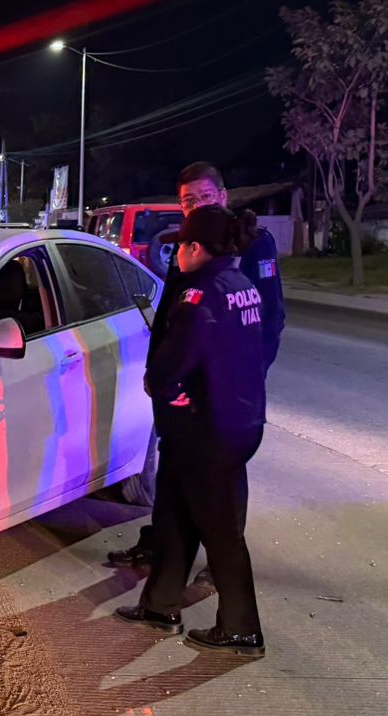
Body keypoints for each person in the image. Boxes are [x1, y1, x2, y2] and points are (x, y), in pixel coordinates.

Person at [108, 161, 285, 569]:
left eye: (206, 197)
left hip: (219, 390)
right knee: (173, 465)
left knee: (222, 477)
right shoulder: (188, 241)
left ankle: (218, 563)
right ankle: (161, 549)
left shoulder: (252, 243)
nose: (198, 205)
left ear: (223, 197)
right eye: (189, 200)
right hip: (181, 380)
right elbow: (174, 309)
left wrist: (248, 378)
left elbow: (268, 319)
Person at [114, 205, 268, 656]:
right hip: (234, 423)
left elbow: (168, 370)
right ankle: (161, 605)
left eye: (179, 245)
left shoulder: (199, 296)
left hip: (206, 431)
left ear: (194, 247)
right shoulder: (242, 287)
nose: (176, 254)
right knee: (174, 518)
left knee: (220, 535)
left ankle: (242, 630)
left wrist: (162, 387)